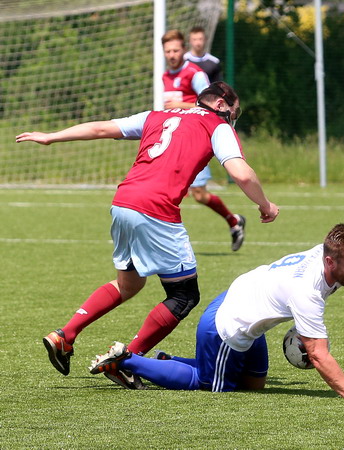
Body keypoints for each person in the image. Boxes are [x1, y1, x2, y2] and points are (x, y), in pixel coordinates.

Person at [16, 81, 280, 389]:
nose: (234, 117)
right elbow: (241, 173)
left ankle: (65, 335)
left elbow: (102, 128)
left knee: (129, 284)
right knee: (184, 295)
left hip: (123, 202)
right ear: (221, 105)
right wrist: (265, 205)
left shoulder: (157, 115)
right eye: (235, 111)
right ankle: (127, 360)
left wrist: (51, 137)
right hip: (156, 209)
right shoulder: (217, 126)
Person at [89, 223, 344, 399]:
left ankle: (167, 361)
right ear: (330, 261)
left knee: (254, 386)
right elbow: (318, 354)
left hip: (250, 313)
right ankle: (126, 360)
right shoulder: (307, 289)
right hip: (228, 325)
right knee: (211, 385)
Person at [162, 29, 245, 251]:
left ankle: (234, 221)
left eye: (175, 50)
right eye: (168, 51)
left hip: (195, 141)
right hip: (174, 141)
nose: (172, 55)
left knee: (198, 194)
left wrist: (181, 106)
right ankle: (166, 240)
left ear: (184, 49)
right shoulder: (164, 76)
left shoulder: (195, 74)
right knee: (168, 190)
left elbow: (211, 105)